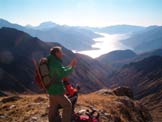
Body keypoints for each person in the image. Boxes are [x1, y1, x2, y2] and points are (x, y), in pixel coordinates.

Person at [47, 46, 77, 122]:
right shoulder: (55, 62)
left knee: (53, 106)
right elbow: (63, 73)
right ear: (56, 53)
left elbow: (61, 69)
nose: (62, 54)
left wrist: (70, 65)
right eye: (60, 52)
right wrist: (72, 67)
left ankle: (51, 120)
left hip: (50, 88)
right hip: (56, 89)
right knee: (68, 105)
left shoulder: (51, 60)